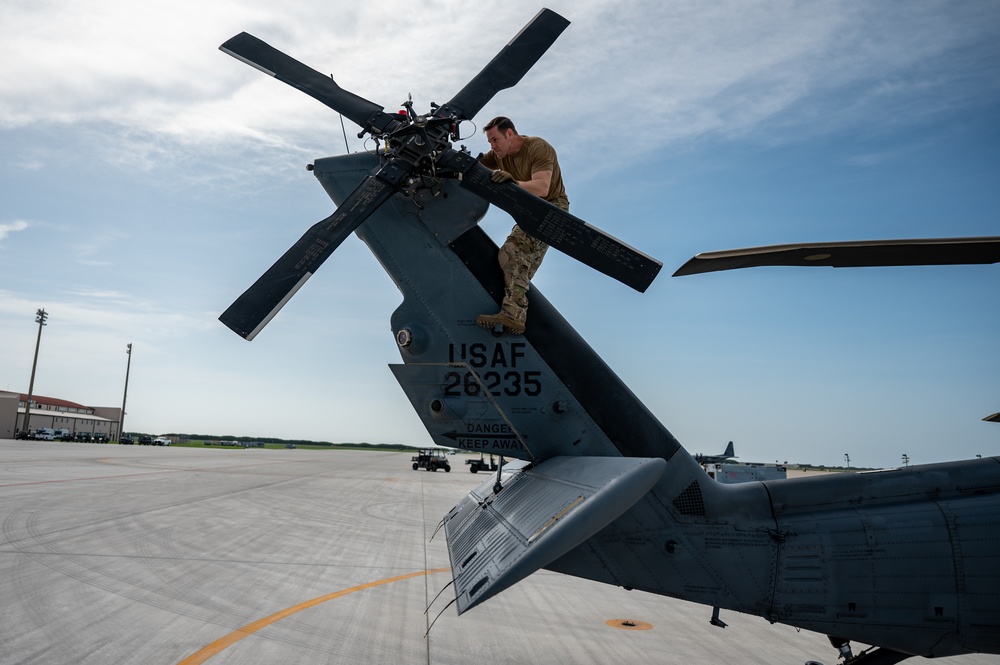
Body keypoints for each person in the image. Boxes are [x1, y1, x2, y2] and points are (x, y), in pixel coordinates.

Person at [476, 117, 569, 334]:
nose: (492, 146)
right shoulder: (499, 155)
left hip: (552, 209)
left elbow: (542, 188)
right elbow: (475, 169)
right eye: (489, 142)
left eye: (495, 140)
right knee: (518, 266)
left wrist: (513, 184)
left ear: (510, 134)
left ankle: (514, 316)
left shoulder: (538, 147)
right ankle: (515, 314)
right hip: (529, 210)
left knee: (511, 252)